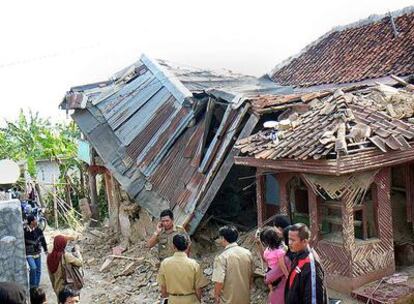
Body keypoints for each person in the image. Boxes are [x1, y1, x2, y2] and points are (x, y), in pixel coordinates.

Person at [157, 234, 208, 304]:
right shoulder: (194, 264)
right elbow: (198, 288)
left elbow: (163, 287)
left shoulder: (165, 263)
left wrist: (166, 299)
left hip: (173, 300)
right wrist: (198, 301)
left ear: (173, 246)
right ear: (187, 246)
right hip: (190, 299)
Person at [285, 223, 328, 304]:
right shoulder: (298, 254)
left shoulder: (312, 266)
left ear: (304, 241)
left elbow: (313, 300)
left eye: (293, 240)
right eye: (289, 239)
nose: (289, 243)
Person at [212, 225, 254, 304]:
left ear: (223, 238)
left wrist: (216, 296)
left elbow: (219, 281)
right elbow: (251, 276)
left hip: (228, 300)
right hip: (245, 299)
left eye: (220, 237)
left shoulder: (222, 257)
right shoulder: (247, 253)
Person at [24, 214, 48, 288]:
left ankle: (36, 287)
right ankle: (32, 286)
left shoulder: (39, 230)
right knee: (33, 268)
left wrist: (45, 250)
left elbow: (42, 240)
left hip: (37, 253)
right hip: (29, 254)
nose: (36, 221)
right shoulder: (24, 231)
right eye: (35, 220)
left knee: (38, 271)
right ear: (31, 222)